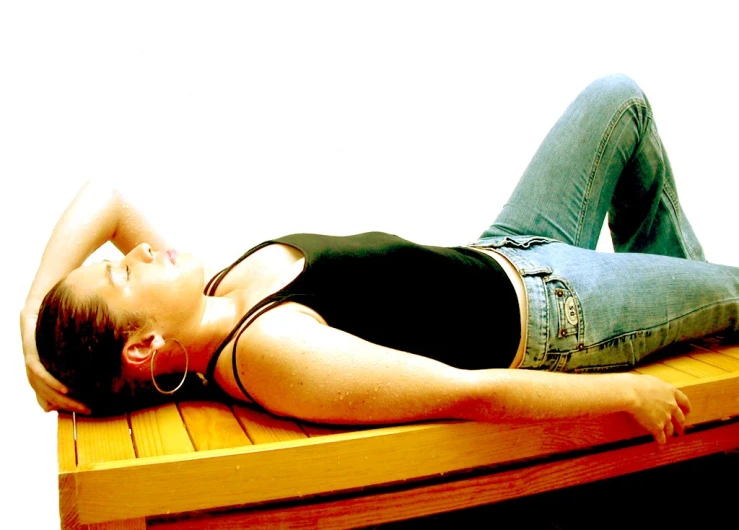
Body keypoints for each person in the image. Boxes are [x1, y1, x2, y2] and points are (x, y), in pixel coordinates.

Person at [22, 75, 735, 446]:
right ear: (145, 345)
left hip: (505, 247)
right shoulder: (269, 351)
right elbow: (463, 392)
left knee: (617, 98)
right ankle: (689, 312)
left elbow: (106, 195)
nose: (134, 251)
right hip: (562, 314)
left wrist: (29, 318)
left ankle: (684, 315)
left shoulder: (214, 293)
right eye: (120, 274)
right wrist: (625, 395)